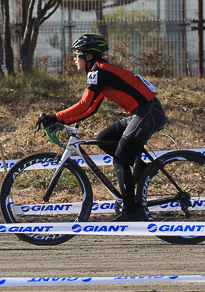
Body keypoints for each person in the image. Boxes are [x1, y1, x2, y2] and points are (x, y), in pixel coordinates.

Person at [37, 33, 166, 222]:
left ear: (88, 56)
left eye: (77, 54)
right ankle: (142, 170)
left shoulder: (100, 71)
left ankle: (132, 210)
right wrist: (62, 120)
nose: (74, 59)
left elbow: (84, 105)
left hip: (148, 113)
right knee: (105, 138)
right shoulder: (99, 72)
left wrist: (55, 117)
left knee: (121, 159)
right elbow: (90, 109)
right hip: (142, 112)